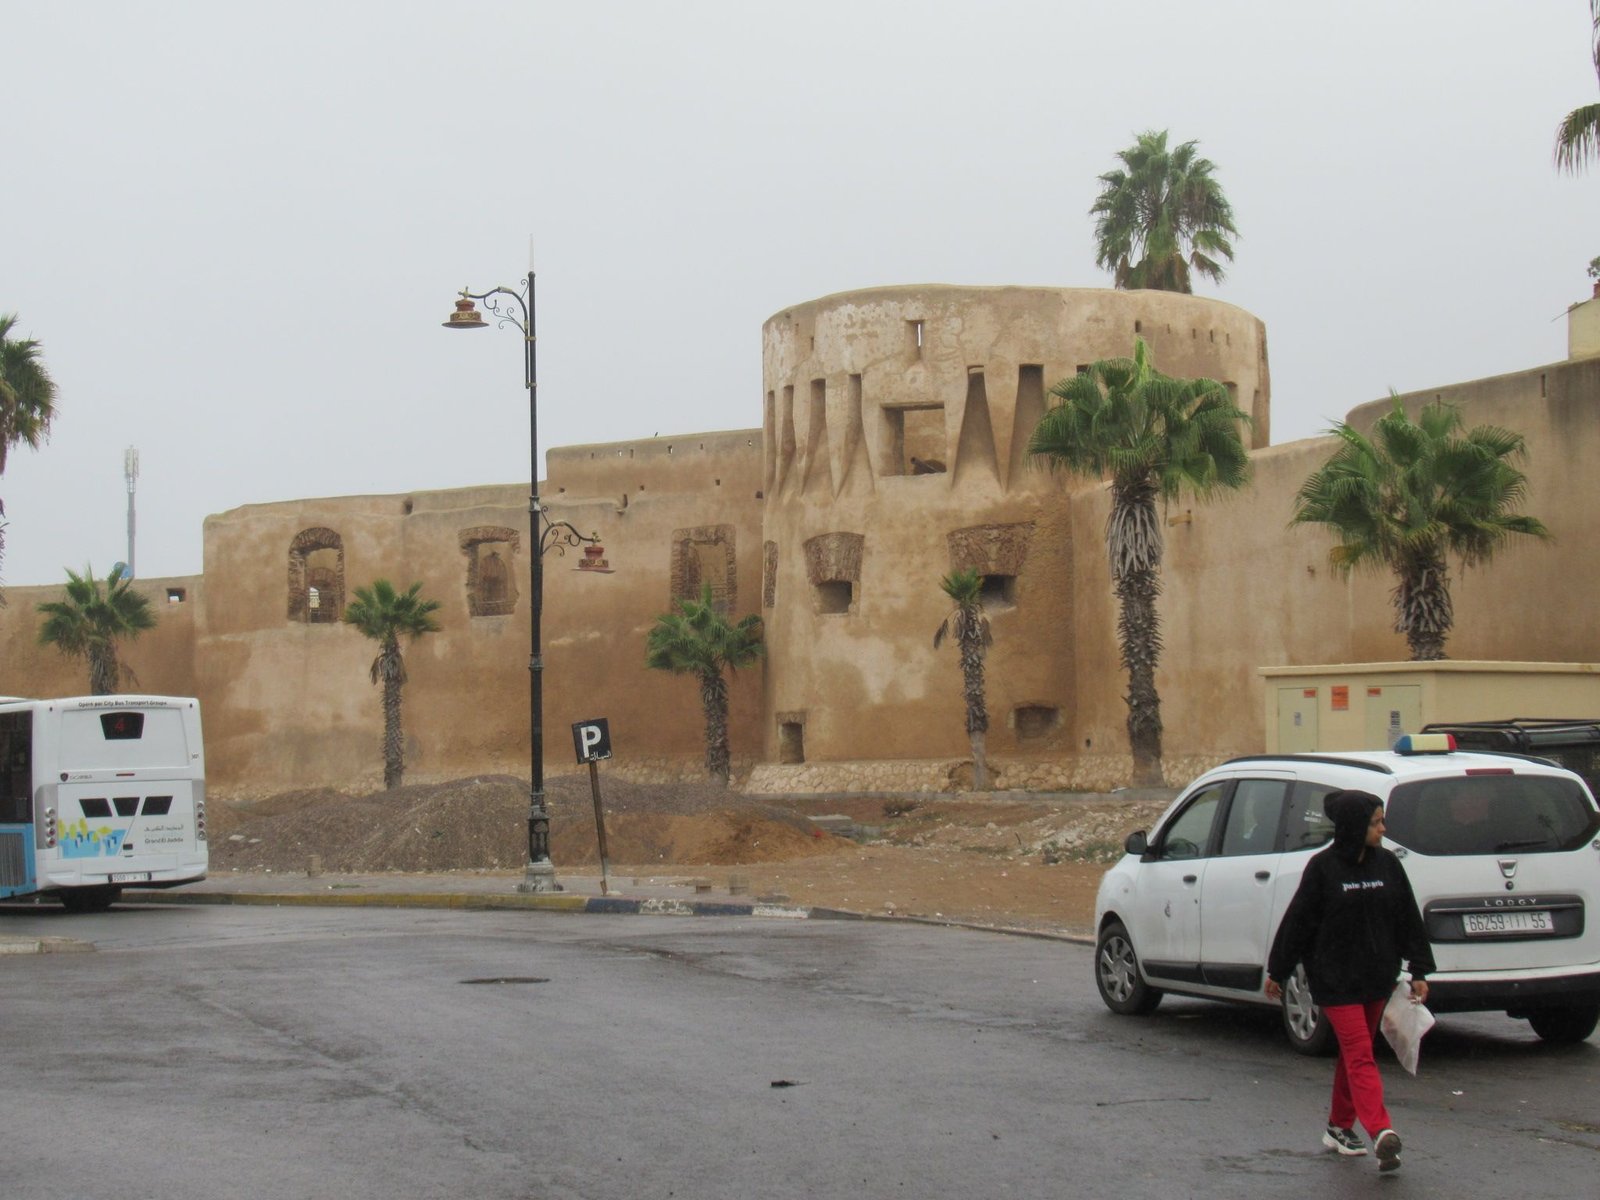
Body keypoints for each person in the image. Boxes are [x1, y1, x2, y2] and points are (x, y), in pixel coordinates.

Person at [1266, 790, 1435, 1173]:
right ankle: (1381, 1131)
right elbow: (1299, 922)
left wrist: (1420, 970)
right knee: (1360, 1052)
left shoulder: (1388, 865)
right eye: (1376, 822)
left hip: (1376, 977)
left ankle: (1339, 1126)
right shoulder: (1322, 868)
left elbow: (1407, 917)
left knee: (1352, 1053)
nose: (1383, 829)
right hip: (1335, 979)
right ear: (1354, 827)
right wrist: (1279, 970)